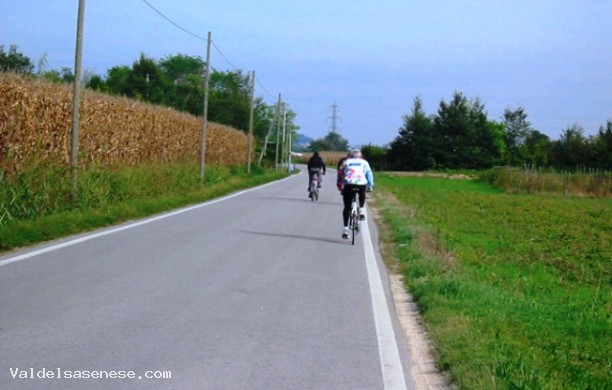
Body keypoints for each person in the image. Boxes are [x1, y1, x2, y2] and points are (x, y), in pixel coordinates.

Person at [337, 148, 374, 240]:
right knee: (362, 192)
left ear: (351, 155)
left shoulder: (346, 162)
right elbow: (369, 174)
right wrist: (370, 185)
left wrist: (340, 186)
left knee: (347, 207)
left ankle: (345, 229)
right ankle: (361, 210)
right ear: (360, 156)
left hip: (349, 184)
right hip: (361, 184)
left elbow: (340, 174)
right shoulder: (364, 162)